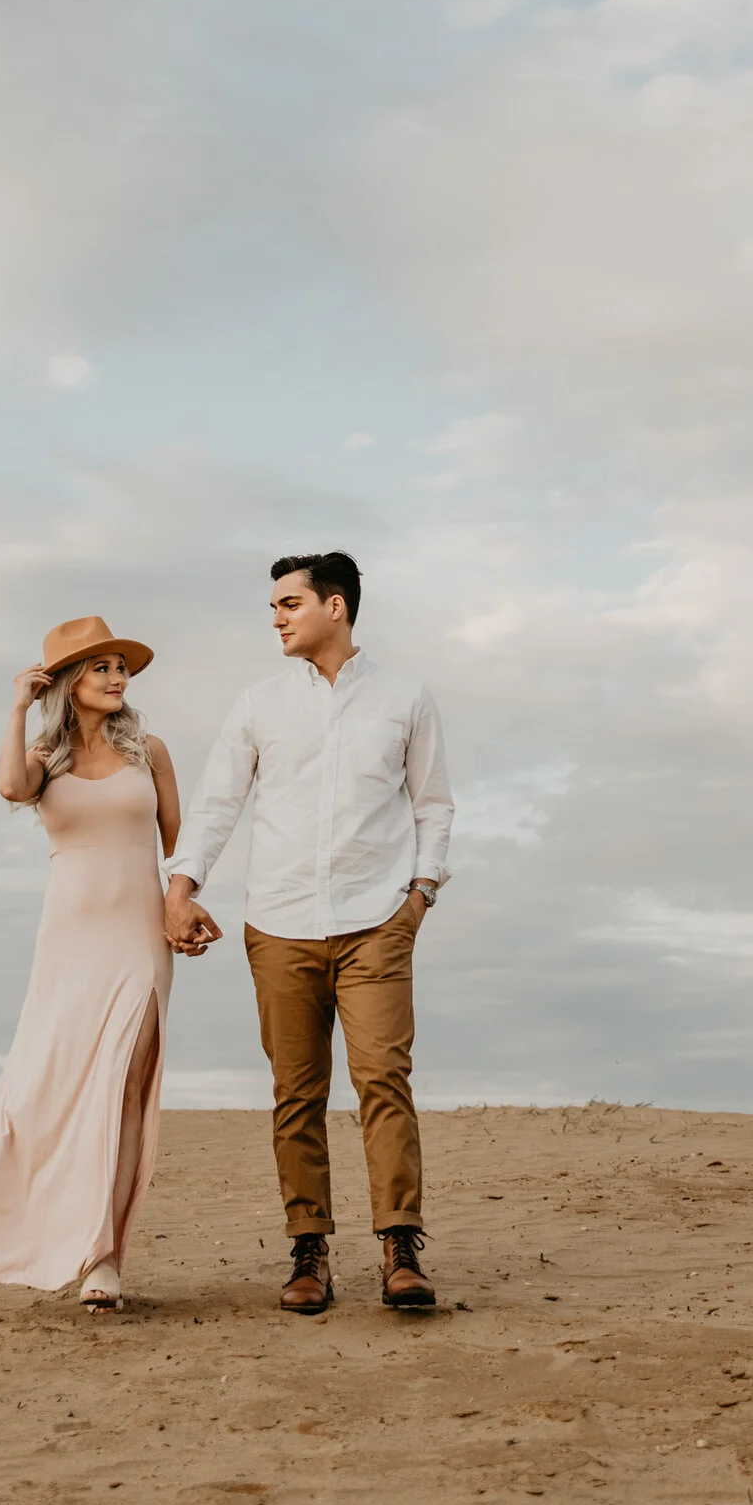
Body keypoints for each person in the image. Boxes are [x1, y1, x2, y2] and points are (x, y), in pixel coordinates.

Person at [162, 551, 453, 1314]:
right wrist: (181, 887)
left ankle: (399, 1246)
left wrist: (420, 893)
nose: (277, 618)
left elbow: (432, 804)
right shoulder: (259, 703)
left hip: (375, 923)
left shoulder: (405, 697)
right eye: (273, 607)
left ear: (336, 606)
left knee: (384, 1079)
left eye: (289, 603)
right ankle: (308, 1252)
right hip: (281, 924)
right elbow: (217, 801)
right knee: (297, 1093)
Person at [0, 616, 190, 1312]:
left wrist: (180, 904)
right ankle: (24, 1226)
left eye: (119, 666)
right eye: (98, 667)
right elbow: (11, 787)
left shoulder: (150, 750)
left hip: (138, 937)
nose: (115, 676)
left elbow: (180, 847)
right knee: (44, 1087)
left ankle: (105, 1259)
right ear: (68, 682)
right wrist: (15, 706)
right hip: (67, 941)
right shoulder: (45, 755)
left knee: (122, 1089)